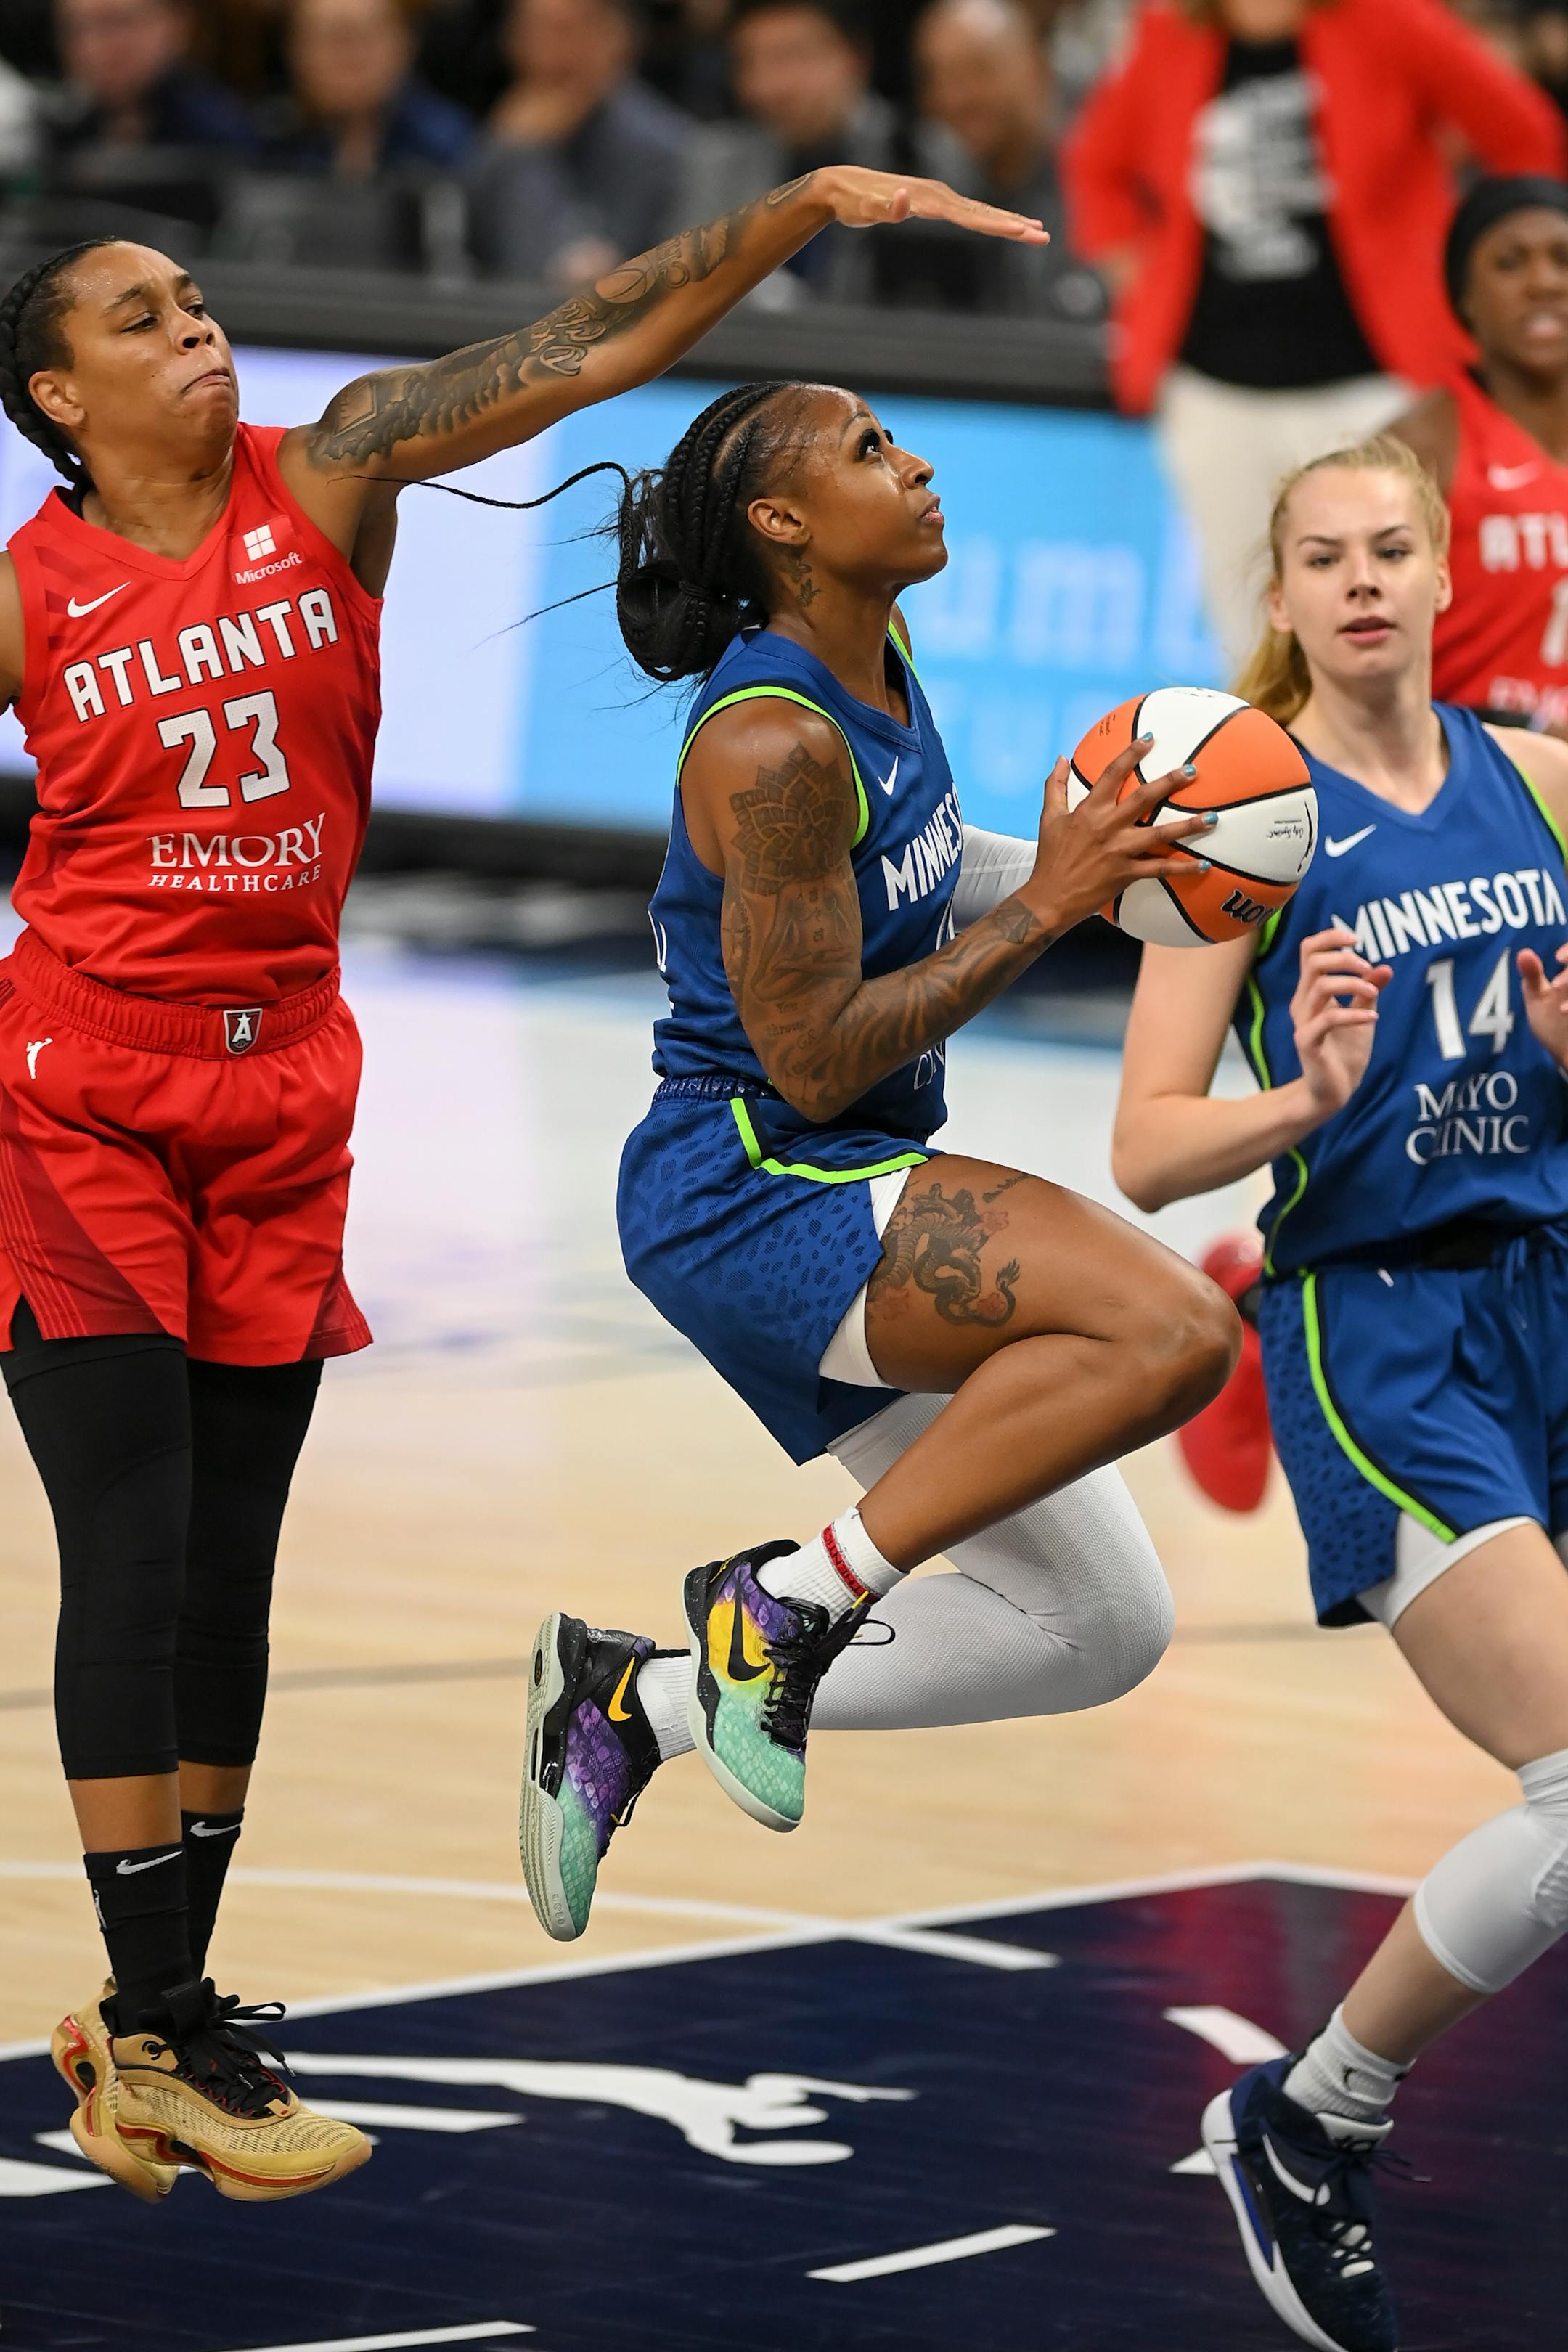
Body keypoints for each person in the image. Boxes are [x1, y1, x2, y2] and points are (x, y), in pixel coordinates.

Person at [0, 166, 1043, 2203]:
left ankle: (163, 2021)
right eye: (142, 318)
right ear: (55, 397)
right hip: (82, 1091)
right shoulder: (34, 594)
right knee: (129, 1543)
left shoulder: (332, 470)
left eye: (197, 295)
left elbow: (592, 344)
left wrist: (792, 210)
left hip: (284, 1084)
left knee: (230, 1567)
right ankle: (155, 2018)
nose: (195, 324)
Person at [517, 375, 1241, 1948]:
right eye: (865, 450)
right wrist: (1052, 905)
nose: (912, 462)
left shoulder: (877, 660)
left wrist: (1130, 882)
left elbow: (919, 868)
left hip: (835, 1177)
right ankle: (784, 1603)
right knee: (1174, 1329)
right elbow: (818, 1057)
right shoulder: (773, 742)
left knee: (1099, 1628)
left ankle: (632, 1704)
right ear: (783, 525)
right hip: (755, 1185)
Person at [1112, 433, 1568, 2352]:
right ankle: (1313, 2119)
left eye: (1393, 548)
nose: (1365, 580)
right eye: (1327, 556)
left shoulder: (1540, 778)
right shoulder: (1242, 826)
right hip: (1381, 1336)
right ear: (1286, 595)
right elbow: (1145, 1147)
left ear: (1447, 571)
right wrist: (1300, 1100)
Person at [1062, 0, 1567, 674]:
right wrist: (1138, 271)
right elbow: (1094, 163)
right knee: (1247, 629)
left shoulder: (1390, 22)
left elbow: (1525, 133)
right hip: (1214, 392)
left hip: (1375, 388)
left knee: (1384, 623)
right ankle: (1263, 748)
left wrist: (1468, 253)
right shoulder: (1170, 32)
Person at [1395, 175, 1568, 736]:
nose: (1544, 282)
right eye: (1510, 263)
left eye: (1563, 260)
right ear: (1465, 297)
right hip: (1468, 761)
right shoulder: (1416, 451)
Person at [677, 0, 956, 303]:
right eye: (750, 62)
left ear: (856, 57)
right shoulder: (715, 165)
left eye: (793, 57)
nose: (769, 86)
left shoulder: (923, 157)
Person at [467, 0, 689, 287]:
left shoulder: (658, 149)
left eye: (563, 32)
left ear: (615, 40)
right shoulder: (505, 129)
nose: (545, 53)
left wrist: (527, 153)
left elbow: (569, 276)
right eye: (529, 31)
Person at [913, 0, 1106, 322]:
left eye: (978, 71)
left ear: (1036, 68)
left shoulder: (1102, 181)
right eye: (937, 77)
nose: (954, 97)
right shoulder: (938, 190)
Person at [268, 0, 477, 181]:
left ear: (406, 43)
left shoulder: (448, 145)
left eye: (363, 36)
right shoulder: (271, 139)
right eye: (331, 38)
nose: (349, 58)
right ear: (293, 51)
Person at [46, 0, 261, 163]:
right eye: (74, 29)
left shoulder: (219, 137)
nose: (91, 49)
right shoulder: (63, 136)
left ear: (177, 25)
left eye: (117, 22)